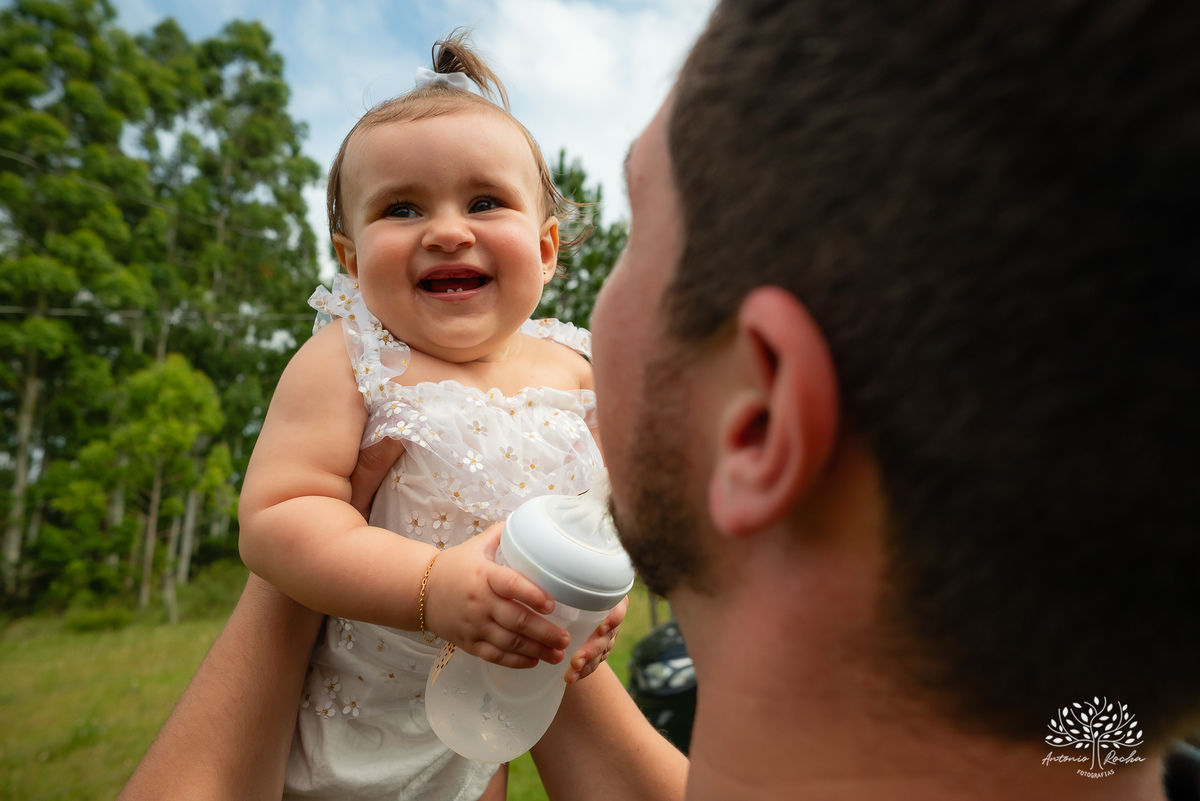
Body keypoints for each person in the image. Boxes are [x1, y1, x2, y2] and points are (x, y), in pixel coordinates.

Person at [123, 1, 1200, 800]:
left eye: (638, 232)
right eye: (403, 209)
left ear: (761, 426)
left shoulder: (558, 364)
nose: (449, 233)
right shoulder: (1103, 744)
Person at [234, 32, 629, 801]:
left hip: (490, 718)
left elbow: (607, 519)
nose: (447, 229)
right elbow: (279, 517)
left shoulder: (578, 373)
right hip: (348, 726)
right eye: (401, 207)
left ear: (546, 249)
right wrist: (431, 586)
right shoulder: (353, 356)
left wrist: (601, 605)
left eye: (484, 201)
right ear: (351, 262)